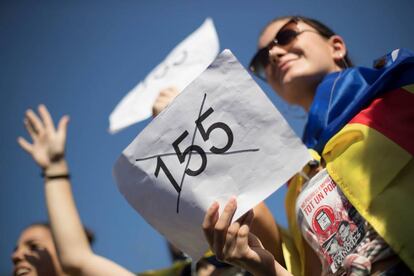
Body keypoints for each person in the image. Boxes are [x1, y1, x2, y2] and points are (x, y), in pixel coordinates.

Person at [202, 15, 414, 275]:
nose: (275, 54)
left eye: (286, 36)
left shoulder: (403, 87)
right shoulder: (298, 178)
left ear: (336, 46)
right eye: (262, 60)